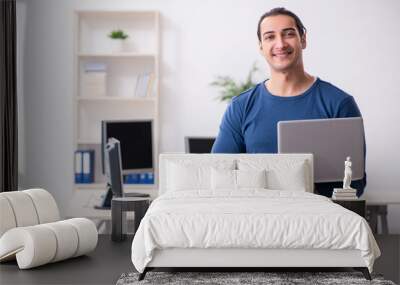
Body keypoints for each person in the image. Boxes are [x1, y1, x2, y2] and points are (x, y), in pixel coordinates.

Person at [212, 7, 366, 197]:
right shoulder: (240, 107)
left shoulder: (339, 103)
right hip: (257, 218)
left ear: (303, 39)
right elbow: (220, 175)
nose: (280, 44)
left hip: (318, 220)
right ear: (261, 47)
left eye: (289, 34)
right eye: (270, 37)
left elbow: (356, 183)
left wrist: (309, 189)